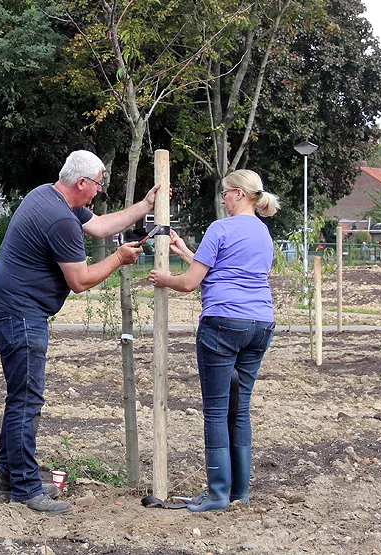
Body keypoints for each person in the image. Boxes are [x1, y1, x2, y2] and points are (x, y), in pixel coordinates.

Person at [0, 149, 159, 515]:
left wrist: (145, 205)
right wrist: (118, 258)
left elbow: (99, 226)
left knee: (20, 398)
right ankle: (26, 490)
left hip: (6, 305)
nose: (98, 191)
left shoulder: (46, 194)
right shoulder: (60, 219)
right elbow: (79, 280)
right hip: (19, 314)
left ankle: (9, 479)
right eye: (97, 185)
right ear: (81, 183)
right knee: (26, 402)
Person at [148, 169, 280, 512]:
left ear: (239, 193)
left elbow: (192, 283)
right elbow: (224, 272)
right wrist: (183, 250)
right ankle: (239, 493)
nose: (222, 199)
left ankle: (216, 493)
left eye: (225, 193)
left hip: (222, 324)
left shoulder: (220, 228)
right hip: (260, 325)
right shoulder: (265, 235)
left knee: (217, 411)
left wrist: (165, 278)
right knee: (241, 411)